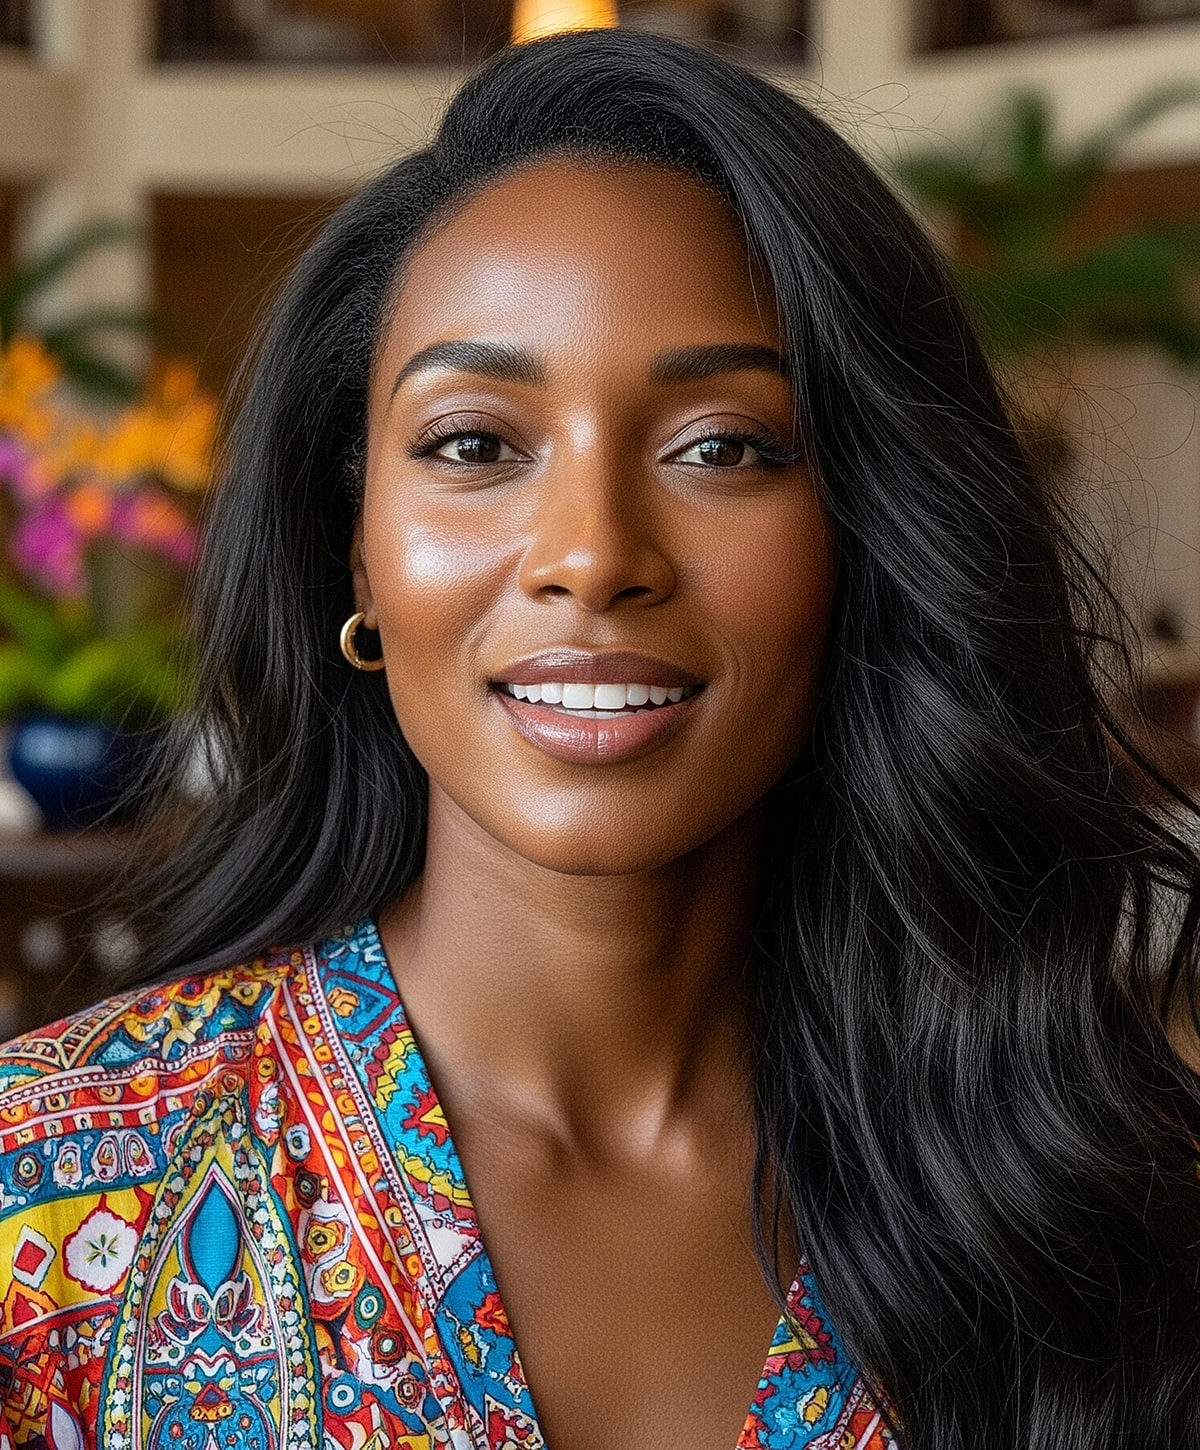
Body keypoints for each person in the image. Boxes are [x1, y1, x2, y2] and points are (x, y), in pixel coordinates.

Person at [0, 25, 1197, 1450]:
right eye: (474, 443)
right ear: (359, 555)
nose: (591, 554)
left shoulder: (1101, 1210)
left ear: (864, 541)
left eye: (722, 446)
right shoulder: (51, 1222)